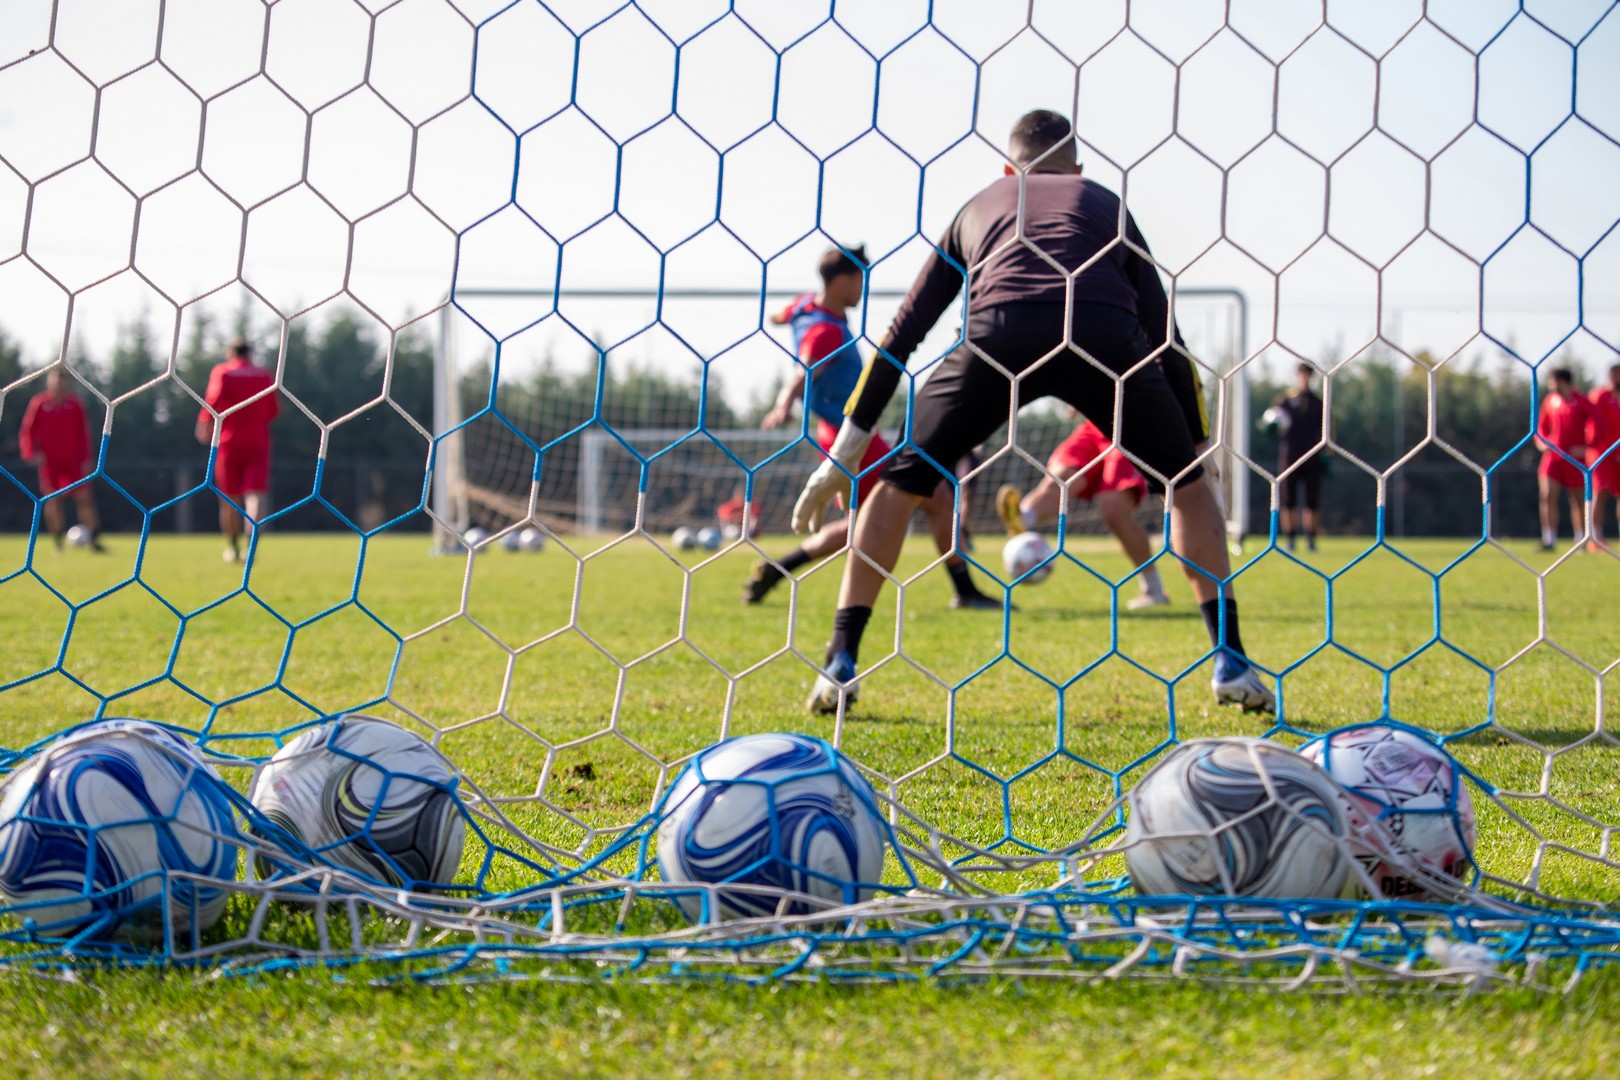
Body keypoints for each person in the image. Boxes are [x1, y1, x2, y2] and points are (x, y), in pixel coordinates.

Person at [793, 109, 1273, 716]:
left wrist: (845, 453)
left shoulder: (978, 204)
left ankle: (840, 661)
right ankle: (1229, 660)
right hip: (1102, 335)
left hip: (997, 336)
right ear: (1076, 169)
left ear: (1007, 169)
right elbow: (1167, 341)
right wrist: (1196, 449)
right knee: (1188, 489)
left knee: (900, 484)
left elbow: (901, 335)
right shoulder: (1104, 202)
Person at [742, 245, 998, 610]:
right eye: (860, 282)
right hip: (852, 437)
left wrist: (783, 322)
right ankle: (965, 591)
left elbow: (778, 317)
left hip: (841, 434)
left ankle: (778, 569)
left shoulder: (802, 307)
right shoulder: (824, 330)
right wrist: (784, 403)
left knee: (861, 525)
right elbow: (805, 368)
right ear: (843, 280)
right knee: (938, 497)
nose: (862, 292)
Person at [995, 413, 1170, 609]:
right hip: (1096, 422)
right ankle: (1023, 518)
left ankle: (1153, 589)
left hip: (1130, 422)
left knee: (1113, 510)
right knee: (1061, 479)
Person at [197, 337, 279, 563]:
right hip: (258, 443)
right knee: (255, 497)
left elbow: (212, 401)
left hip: (228, 444)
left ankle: (232, 549)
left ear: (230, 354)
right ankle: (250, 547)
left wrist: (203, 425)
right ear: (250, 354)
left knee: (229, 499)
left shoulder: (223, 372)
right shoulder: (263, 375)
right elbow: (272, 410)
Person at [18, 368, 103, 552]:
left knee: (84, 498)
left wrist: (86, 458)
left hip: (74, 460)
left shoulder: (75, 405)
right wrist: (31, 453)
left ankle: (94, 540)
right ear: (49, 383)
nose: (59, 386)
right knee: (53, 500)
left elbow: (83, 434)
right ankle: (58, 543)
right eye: (56, 382)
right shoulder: (39, 404)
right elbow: (28, 431)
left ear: (68, 385)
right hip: (50, 462)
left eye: (62, 383)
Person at [1272, 362, 1326, 553]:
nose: (1304, 378)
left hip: (1313, 458)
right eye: (1301, 374)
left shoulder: (1318, 403)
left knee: (1312, 501)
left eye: (1307, 375)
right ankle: (1290, 539)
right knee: (1289, 500)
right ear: (1297, 376)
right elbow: (1273, 425)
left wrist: (1326, 455)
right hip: (1289, 458)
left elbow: (1327, 432)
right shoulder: (1285, 401)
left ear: (1312, 377)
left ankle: (1311, 540)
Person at [1535, 367, 1590, 551]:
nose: (1551, 386)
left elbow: (1598, 425)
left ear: (1564, 382)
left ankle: (1581, 539)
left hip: (1574, 458)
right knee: (1547, 495)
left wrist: (1587, 447)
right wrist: (1541, 443)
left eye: (1554, 381)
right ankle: (1549, 539)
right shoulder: (1550, 401)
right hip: (1553, 456)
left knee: (1577, 500)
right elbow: (1540, 427)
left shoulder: (1581, 401)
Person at [1587, 362, 1620, 550]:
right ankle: (1595, 538)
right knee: (1600, 493)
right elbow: (1597, 428)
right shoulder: (1599, 396)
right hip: (1602, 454)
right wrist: (1613, 451)